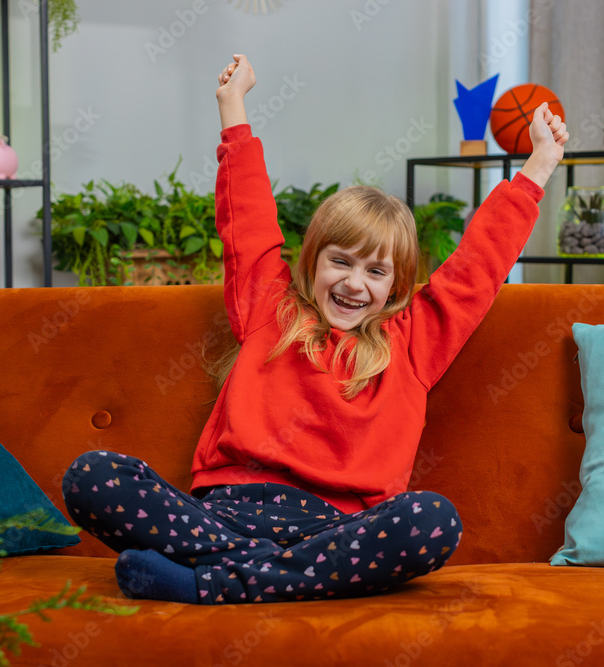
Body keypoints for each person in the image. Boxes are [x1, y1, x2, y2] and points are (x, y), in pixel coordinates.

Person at [62, 54, 568, 605]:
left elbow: (476, 270)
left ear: (397, 285)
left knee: (432, 521)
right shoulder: (269, 306)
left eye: (376, 272)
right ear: (313, 261)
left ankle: (210, 583)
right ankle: (257, 578)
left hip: (332, 534)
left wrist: (540, 165)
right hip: (224, 516)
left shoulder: (413, 342)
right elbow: (248, 220)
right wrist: (233, 109)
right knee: (92, 476)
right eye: (341, 262)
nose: (355, 283)